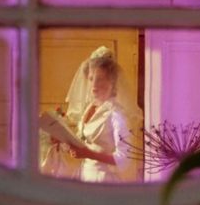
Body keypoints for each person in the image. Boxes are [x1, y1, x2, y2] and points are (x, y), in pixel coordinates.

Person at [41, 46, 142, 182]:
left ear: (112, 82)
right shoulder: (89, 108)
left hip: (103, 180)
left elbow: (124, 159)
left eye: (100, 79)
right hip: (83, 175)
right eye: (91, 78)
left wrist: (88, 154)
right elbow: (83, 144)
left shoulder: (116, 114)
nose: (94, 85)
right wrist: (62, 140)